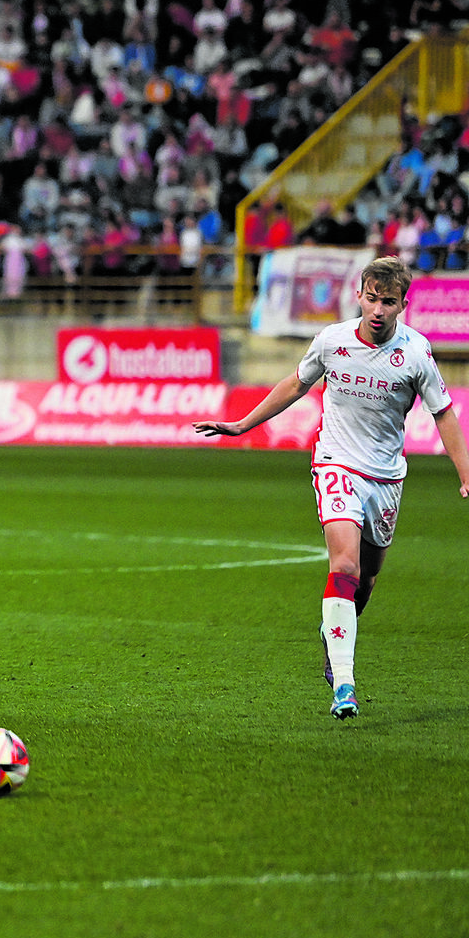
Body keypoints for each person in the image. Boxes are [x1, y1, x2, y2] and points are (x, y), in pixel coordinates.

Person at [192, 257, 469, 720]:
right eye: (372, 298)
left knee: (365, 582)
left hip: (386, 477)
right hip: (336, 462)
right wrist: (243, 425)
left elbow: (443, 413)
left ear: (403, 304)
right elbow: (296, 384)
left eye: (389, 302)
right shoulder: (332, 341)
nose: (378, 309)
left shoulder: (416, 353)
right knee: (344, 563)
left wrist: (465, 472)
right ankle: (344, 683)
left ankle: (333, 628)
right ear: (359, 295)